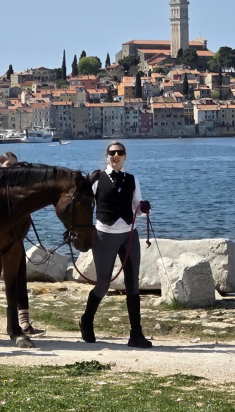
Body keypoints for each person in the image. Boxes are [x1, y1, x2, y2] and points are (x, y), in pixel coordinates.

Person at [79, 141, 152, 348]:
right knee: (103, 284)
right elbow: (83, 207)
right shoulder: (96, 179)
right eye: (112, 152)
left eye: (120, 152)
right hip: (104, 236)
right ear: (107, 156)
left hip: (129, 235)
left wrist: (143, 208)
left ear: (125, 156)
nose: (116, 155)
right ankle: (86, 320)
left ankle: (136, 334)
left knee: (133, 284)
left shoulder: (132, 179)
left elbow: (137, 207)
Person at [0, 151, 44, 336]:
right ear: (0, 167)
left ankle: (24, 323)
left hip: (15, 244)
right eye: (8, 166)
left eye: (15, 166)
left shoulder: (18, 192)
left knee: (20, 281)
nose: (12, 170)